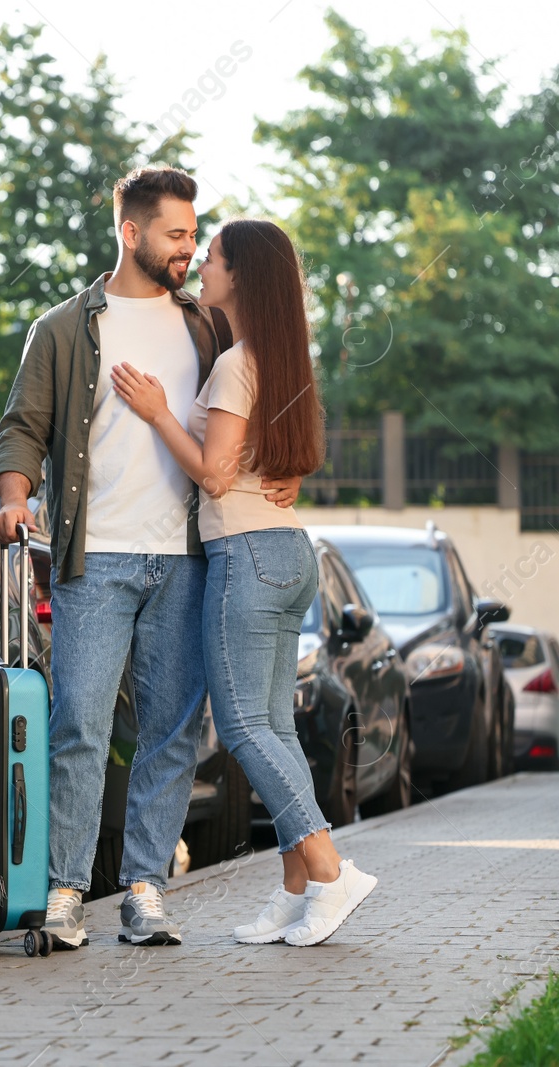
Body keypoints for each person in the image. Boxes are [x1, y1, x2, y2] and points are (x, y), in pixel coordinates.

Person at [0, 167, 301, 948]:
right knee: (81, 724)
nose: (190, 250)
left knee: (171, 731)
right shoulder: (65, 328)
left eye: (195, 237)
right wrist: (15, 495)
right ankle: (64, 890)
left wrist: (286, 463)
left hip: (191, 559)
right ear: (131, 233)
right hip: (96, 559)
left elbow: (264, 395)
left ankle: (144, 888)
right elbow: (23, 425)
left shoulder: (207, 327)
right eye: (176, 235)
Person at [110, 218, 378, 946]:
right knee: (277, 727)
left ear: (243, 276)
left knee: (243, 728)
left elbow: (217, 473)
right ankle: (296, 891)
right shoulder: (277, 360)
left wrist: (161, 413)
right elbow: (287, 456)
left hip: (248, 557)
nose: (202, 265)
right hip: (289, 555)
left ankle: (328, 867)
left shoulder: (235, 366)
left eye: (215, 258)